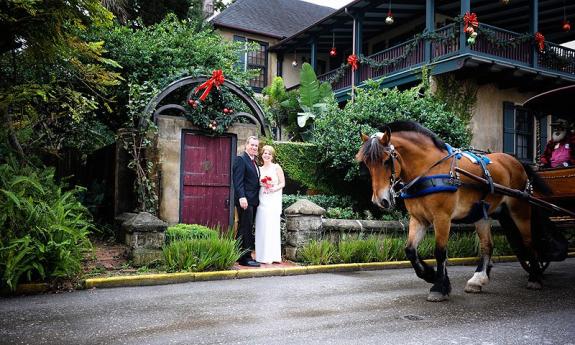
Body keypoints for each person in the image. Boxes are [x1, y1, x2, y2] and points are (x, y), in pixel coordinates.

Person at [232, 136, 261, 267]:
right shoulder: (241, 159)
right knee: (246, 228)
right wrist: (242, 197)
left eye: (256, 146)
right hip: (245, 201)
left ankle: (238, 254)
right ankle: (246, 258)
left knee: (245, 228)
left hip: (253, 201)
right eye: (252, 145)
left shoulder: (254, 162)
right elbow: (238, 182)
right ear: (246, 145)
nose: (254, 147)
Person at [254, 145, 285, 264]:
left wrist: (273, 188)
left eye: (269, 154)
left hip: (272, 200)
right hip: (262, 199)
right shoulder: (259, 169)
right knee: (262, 226)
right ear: (262, 154)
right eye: (265, 153)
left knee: (271, 227)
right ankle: (262, 256)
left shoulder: (276, 167)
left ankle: (273, 256)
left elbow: (282, 183)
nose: (266, 155)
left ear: (272, 156)